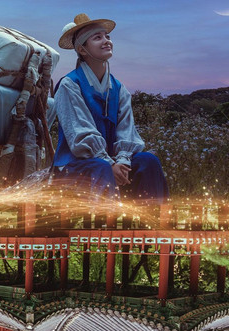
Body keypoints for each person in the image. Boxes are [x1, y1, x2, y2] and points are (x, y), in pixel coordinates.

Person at [52, 13, 168, 203]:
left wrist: (122, 160)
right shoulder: (69, 85)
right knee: (101, 168)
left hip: (112, 161)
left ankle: (151, 220)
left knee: (148, 161)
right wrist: (108, 162)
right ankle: (103, 227)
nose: (107, 41)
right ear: (82, 49)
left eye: (107, 36)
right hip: (77, 164)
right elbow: (80, 133)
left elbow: (127, 131)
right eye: (98, 38)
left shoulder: (119, 88)